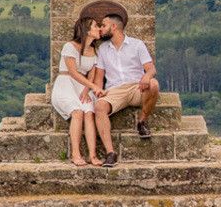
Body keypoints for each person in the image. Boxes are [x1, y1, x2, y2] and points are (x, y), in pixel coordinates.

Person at [93, 13, 159, 168]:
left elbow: (151, 69)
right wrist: (98, 91)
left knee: (154, 84)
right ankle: (110, 153)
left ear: (114, 27)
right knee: (99, 106)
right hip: (115, 90)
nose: (101, 28)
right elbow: (99, 77)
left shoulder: (137, 45)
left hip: (136, 87)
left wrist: (147, 76)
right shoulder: (102, 49)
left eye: (104, 25)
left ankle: (142, 122)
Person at [50, 16, 106, 167]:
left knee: (89, 112)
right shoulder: (70, 46)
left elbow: (91, 74)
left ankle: (92, 155)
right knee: (77, 112)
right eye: (95, 26)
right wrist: (94, 87)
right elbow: (73, 72)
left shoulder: (94, 50)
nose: (99, 29)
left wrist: (87, 90)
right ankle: (76, 154)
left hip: (82, 86)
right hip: (66, 83)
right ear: (87, 30)